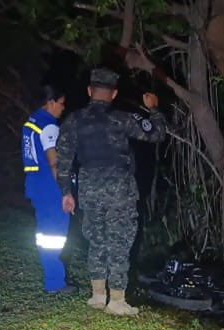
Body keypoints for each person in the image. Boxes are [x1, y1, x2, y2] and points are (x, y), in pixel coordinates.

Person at [55, 68, 166, 316]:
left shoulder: (74, 120)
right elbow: (156, 133)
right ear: (113, 94)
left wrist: (66, 192)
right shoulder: (122, 119)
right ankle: (116, 300)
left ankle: (97, 296)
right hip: (119, 188)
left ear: (89, 91)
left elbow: (64, 159)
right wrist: (154, 109)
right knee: (119, 239)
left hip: (89, 186)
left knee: (96, 239)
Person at [22, 85, 74, 294]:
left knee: (45, 235)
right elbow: (54, 162)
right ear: (51, 102)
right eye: (61, 103)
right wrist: (65, 191)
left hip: (35, 184)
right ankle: (55, 282)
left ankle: (51, 278)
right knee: (55, 236)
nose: (63, 108)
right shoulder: (48, 126)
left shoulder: (30, 122)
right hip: (50, 187)